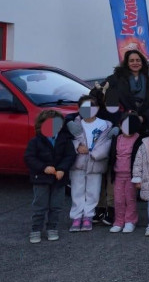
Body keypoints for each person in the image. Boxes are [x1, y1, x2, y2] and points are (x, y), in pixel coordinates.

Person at [24, 110, 76, 243]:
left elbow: (70, 156)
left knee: (56, 206)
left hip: (59, 179)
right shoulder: (36, 141)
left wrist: (62, 169)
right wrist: (43, 168)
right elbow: (29, 158)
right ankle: (36, 229)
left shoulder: (65, 139)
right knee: (40, 206)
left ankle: (52, 228)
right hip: (41, 179)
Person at [67, 95, 114, 232]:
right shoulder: (75, 123)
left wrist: (94, 153)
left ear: (97, 108)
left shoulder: (105, 124)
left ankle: (88, 216)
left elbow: (107, 143)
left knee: (93, 191)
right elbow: (68, 139)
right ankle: (76, 217)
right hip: (78, 162)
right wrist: (77, 146)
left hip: (95, 162)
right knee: (77, 190)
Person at [107, 112, 143, 233]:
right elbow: (112, 155)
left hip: (131, 175)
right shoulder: (117, 138)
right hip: (118, 175)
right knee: (118, 199)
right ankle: (118, 221)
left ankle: (130, 221)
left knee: (130, 199)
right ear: (120, 125)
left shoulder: (139, 139)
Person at [103, 49, 149, 129]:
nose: (135, 63)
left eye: (138, 60)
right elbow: (103, 93)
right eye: (131, 61)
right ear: (127, 63)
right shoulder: (117, 78)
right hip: (123, 124)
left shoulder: (148, 80)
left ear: (142, 62)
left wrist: (143, 118)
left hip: (142, 125)